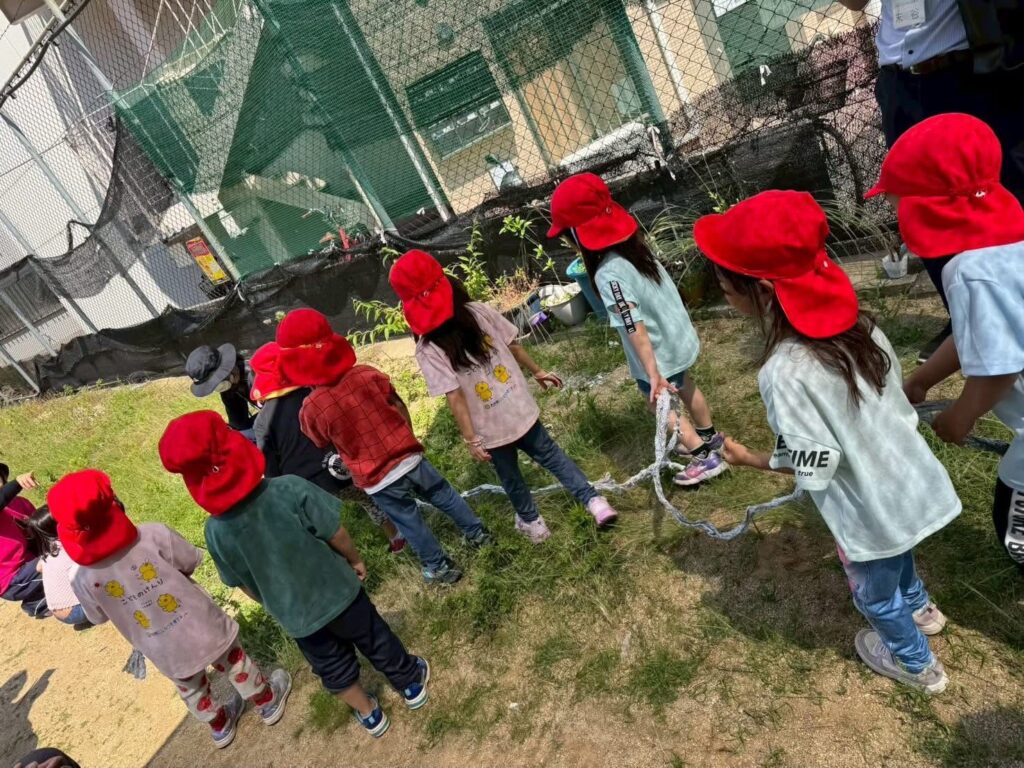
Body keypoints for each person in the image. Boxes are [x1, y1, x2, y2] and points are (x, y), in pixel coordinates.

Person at [695, 190, 960, 694]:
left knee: (874, 592)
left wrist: (751, 458)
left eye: (726, 286)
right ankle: (922, 609)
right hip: (909, 483)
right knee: (899, 553)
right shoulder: (863, 327)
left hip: (868, 508)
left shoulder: (784, 372)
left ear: (764, 291)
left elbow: (813, 462)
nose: (724, 295)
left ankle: (916, 664)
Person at [159, 410, 430, 739]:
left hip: (296, 616)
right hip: (339, 591)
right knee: (375, 637)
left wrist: (271, 603)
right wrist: (355, 559)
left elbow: (241, 582)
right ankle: (410, 683)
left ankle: (368, 713)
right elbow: (335, 532)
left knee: (331, 666)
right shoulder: (288, 487)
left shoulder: (215, 532)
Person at [47, 469, 291, 749]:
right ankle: (266, 701)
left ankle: (220, 724)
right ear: (114, 503)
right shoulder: (152, 534)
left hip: (158, 644)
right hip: (199, 622)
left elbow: (97, 616)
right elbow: (190, 560)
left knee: (190, 686)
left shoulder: (81, 577)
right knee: (234, 661)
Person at [836, 0, 1024, 362]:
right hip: (899, 78)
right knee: (918, 204)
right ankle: (963, 317)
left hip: (968, 67)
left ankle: (1010, 302)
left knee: (1002, 191)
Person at [390, 249, 619, 543]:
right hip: (520, 409)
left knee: (511, 477)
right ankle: (594, 502)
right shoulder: (478, 311)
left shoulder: (428, 350)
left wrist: (471, 439)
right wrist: (538, 371)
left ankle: (533, 524)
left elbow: (454, 396)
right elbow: (514, 345)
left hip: (490, 430)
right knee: (553, 456)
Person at [879, 114, 1024, 572]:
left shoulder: (968, 273)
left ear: (926, 209)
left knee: (1015, 520)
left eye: (898, 205)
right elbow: (975, 337)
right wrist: (922, 380)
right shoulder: (1010, 246)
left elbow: (999, 367)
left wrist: (960, 417)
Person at [275, 308, 490, 585]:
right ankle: (478, 534)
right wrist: (408, 437)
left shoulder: (311, 408)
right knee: (444, 495)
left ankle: (439, 567)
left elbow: (319, 440)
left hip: (377, 478)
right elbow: (398, 404)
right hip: (409, 455)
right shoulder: (367, 374)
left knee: (409, 520)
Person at [548, 173, 727, 487]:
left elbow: (633, 324)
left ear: (578, 234)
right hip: (676, 339)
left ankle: (703, 457)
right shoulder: (635, 250)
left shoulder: (607, 274)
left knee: (658, 405)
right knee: (687, 385)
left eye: (565, 236)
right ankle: (711, 439)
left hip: (657, 353)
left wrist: (652, 373)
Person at [249, 342, 406, 554]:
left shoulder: (262, 422)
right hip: (341, 467)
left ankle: (343, 558)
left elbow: (270, 467)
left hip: (306, 485)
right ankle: (396, 536)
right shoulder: (314, 394)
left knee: (324, 524)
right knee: (369, 499)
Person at [21, 505, 91, 627]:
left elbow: (38, 568)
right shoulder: (69, 545)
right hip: (76, 610)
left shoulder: (49, 549)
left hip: (57, 611)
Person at [186, 343, 257, 441]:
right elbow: (238, 423)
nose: (220, 387)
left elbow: (274, 414)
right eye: (214, 385)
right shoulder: (229, 388)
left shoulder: (255, 374)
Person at [0, 465, 45, 618]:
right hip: (12, 580)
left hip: (30, 561)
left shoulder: (19, 503)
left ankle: (38, 597)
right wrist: (18, 483)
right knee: (61, 559)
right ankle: (39, 604)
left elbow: (41, 530)